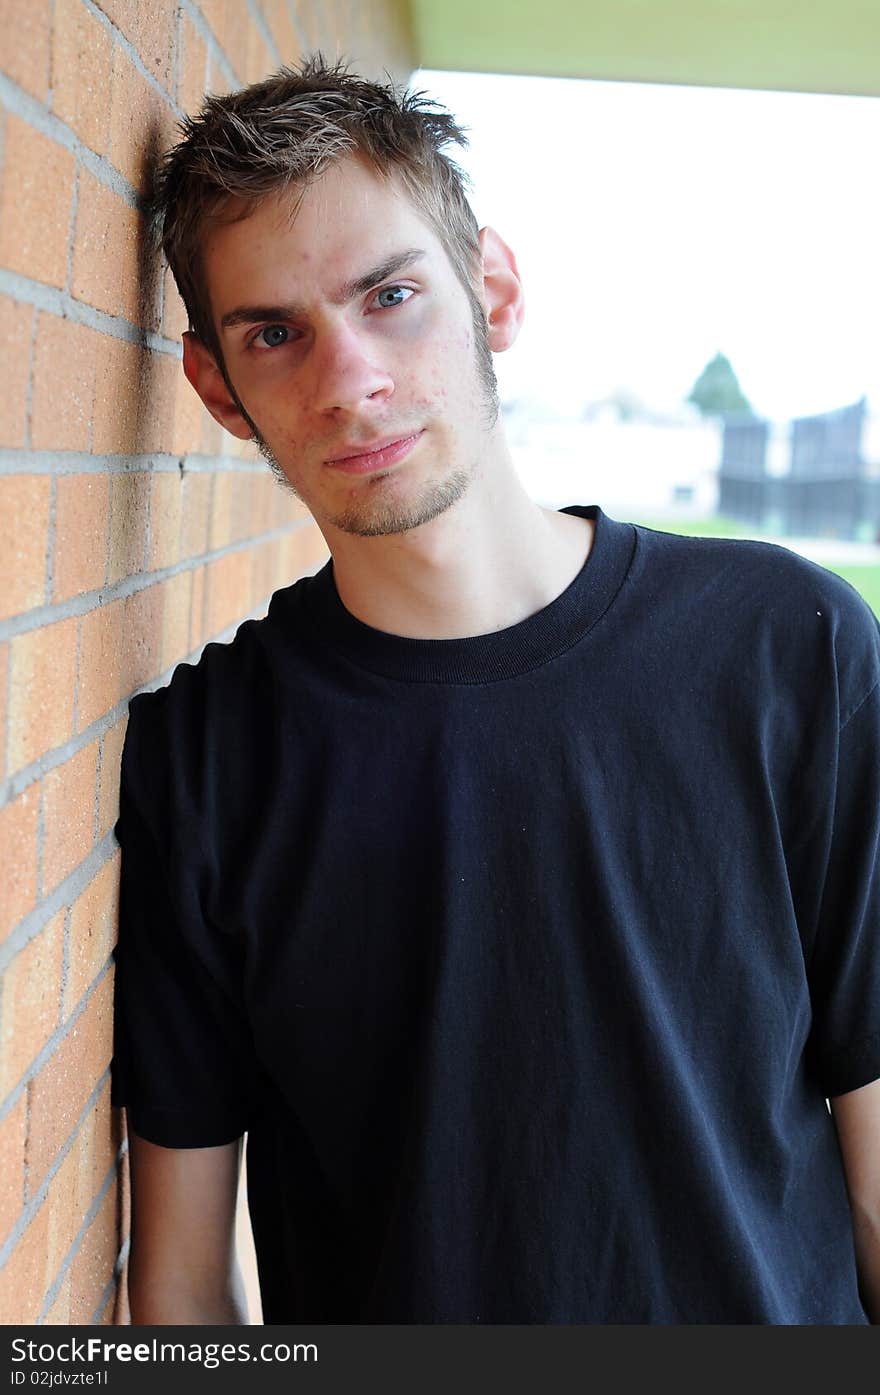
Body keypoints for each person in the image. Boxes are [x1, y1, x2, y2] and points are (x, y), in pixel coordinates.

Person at [110, 54, 880, 1326]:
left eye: (391, 296)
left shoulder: (787, 646)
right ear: (215, 388)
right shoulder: (205, 754)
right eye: (274, 333)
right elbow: (182, 1288)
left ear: (493, 291)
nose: (348, 379)